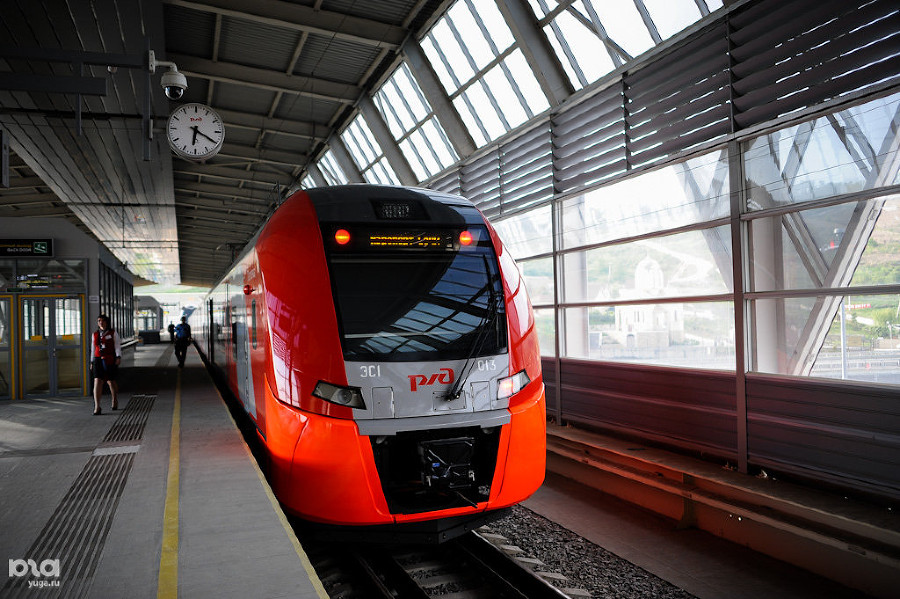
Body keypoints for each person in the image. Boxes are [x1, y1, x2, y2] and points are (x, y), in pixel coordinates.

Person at [91, 314, 121, 415]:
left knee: (110, 381)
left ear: (107, 322)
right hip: (98, 359)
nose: (101, 322)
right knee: (97, 381)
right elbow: (93, 349)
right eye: (99, 321)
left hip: (109, 359)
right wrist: (92, 361)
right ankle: (97, 406)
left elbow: (117, 346)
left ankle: (114, 399)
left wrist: (118, 357)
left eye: (103, 321)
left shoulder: (113, 333)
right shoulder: (95, 334)